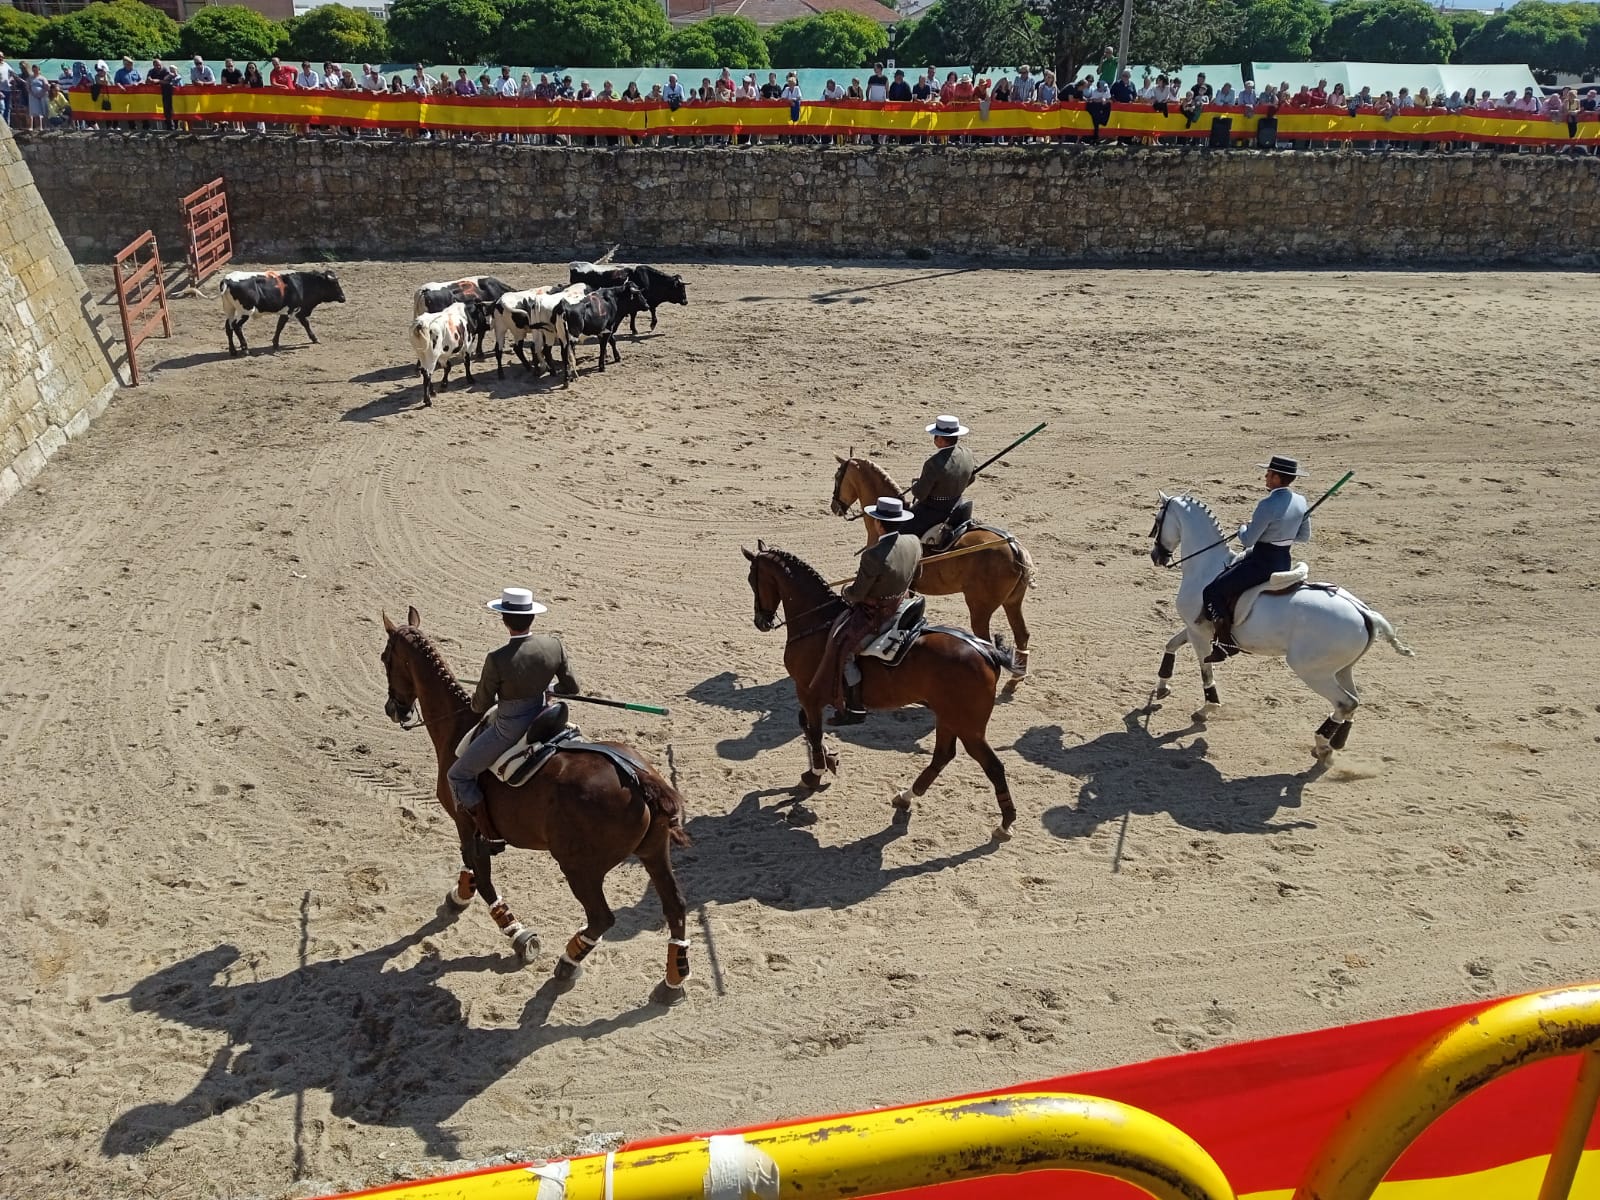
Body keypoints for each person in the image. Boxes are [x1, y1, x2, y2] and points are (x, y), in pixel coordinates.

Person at [448, 587, 580, 840]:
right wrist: (550, 688)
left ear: (504, 620)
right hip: (547, 714)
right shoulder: (554, 645)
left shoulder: (497, 658)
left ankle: (487, 831)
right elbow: (571, 688)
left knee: (457, 774)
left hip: (510, 727)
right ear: (532, 617)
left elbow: (480, 705)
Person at [810, 498, 923, 725]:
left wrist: (845, 591)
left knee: (842, 648)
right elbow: (917, 575)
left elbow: (858, 594)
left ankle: (854, 709)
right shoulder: (913, 542)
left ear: (878, 524)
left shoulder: (874, 555)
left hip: (877, 614)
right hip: (903, 603)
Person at [1201, 455, 1312, 658]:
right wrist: (1283, 532)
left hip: (1261, 563)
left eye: (1269, 474)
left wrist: (1244, 526)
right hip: (1284, 560)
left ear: (1277, 478)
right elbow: (1304, 536)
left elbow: (1248, 540)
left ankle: (1225, 643)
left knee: (1213, 590)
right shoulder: (1301, 501)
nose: (1265, 477)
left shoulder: (1267, 504)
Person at [905, 414, 977, 543]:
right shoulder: (967, 453)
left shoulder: (933, 463)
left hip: (934, 510)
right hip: (958, 504)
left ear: (941, 440)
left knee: (901, 532)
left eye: (935, 436)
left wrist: (915, 483)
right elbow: (971, 478)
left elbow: (920, 494)